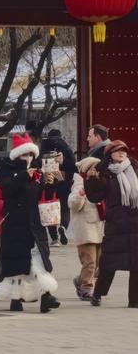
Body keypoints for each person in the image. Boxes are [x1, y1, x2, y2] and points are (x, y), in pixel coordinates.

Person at [0, 132, 60, 313]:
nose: (29, 158)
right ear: (16, 154)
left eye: (31, 155)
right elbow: (6, 188)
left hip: (34, 223)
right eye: (25, 154)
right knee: (18, 265)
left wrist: (49, 183)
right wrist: (24, 175)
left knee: (39, 260)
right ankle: (16, 298)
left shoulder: (37, 172)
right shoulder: (6, 170)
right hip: (15, 224)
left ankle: (46, 295)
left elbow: (40, 196)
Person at [84, 139, 138, 308]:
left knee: (136, 264)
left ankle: (134, 301)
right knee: (108, 263)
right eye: (117, 150)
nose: (121, 153)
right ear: (110, 154)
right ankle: (98, 294)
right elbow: (94, 197)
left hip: (135, 223)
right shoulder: (104, 173)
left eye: (123, 150)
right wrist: (91, 180)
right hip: (116, 224)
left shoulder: (134, 169)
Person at [68, 155, 104, 301]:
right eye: (93, 168)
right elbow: (72, 204)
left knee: (99, 263)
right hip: (85, 228)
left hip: (99, 228)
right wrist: (81, 193)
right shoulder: (79, 182)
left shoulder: (100, 183)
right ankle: (86, 288)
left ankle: (79, 280)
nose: (96, 171)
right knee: (89, 262)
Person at [41, 128, 76, 246]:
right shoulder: (65, 146)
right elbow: (73, 165)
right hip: (64, 182)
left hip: (49, 182)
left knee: (50, 207)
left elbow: (37, 162)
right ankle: (63, 226)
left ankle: (54, 238)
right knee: (65, 207)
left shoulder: (44, 146)